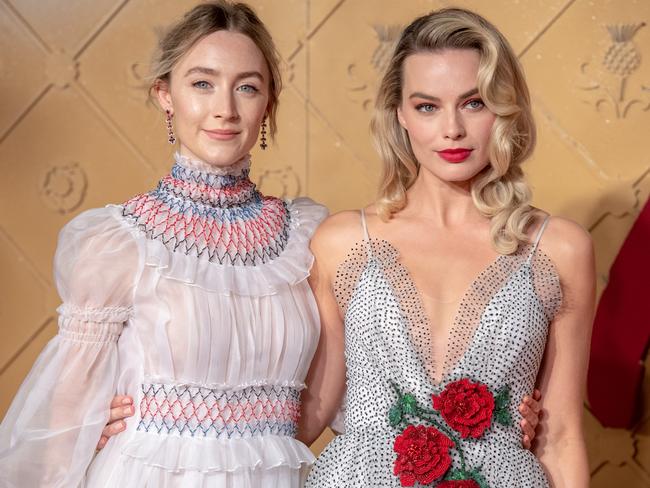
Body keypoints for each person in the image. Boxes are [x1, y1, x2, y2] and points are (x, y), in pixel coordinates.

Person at [0, 2, 327, 486]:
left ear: (269, 103)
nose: (225, 109)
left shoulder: (308, 235)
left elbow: (324, 398)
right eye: (202, 83)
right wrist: (88, 423)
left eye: (248, 87)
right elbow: (62, 425)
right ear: (165, 95)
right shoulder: (118, 242)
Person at [299, 7, 594, 487]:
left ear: (503, 107)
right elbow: (310, 414)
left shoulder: (559, 249)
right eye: (427, 106)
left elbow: (560, 438)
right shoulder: (342, 241)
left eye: (474, 103)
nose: (452, 129)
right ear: (400, 115)